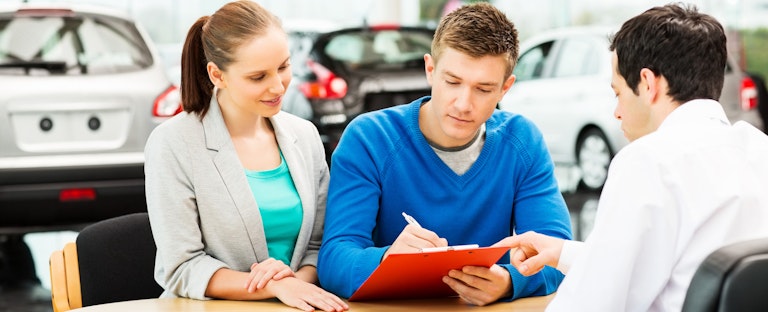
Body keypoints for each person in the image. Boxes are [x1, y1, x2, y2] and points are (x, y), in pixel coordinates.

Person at [493, 3, 768, 311]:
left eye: (618, 92)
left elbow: (593, 303)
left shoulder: (649, 161)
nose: (617, 111)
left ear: (648, 84)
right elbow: (677, 267)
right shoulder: (758, 148)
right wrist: (563, 253)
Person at [317, 2, 572, 306]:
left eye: (483, 89)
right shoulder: (370, 139)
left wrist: (508, 282)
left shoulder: (522, 141)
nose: (464, 103)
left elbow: (558, 252)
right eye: (452, 82)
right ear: (430, 69)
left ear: (505, 88)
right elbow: (334, 260)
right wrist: (388, 259)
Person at [143, 1, 347, 311]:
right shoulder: (172, 144)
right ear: (217, 74)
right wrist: (275, 285)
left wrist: (294, 282)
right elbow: (182, 267)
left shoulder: (304, 137)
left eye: (283, 66)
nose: (278, 86)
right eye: (258, 77)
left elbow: (319, 247)